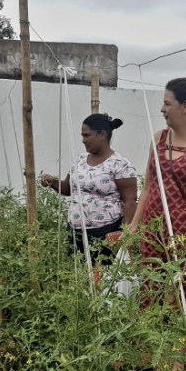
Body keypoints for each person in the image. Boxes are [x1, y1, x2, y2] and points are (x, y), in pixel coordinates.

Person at [130, 78, 186, 314]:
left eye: (167, 103)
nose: (162, 109)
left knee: (185, 288)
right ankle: (151, 340)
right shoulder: (159, 138)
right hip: (152, 226)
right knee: (151, 285)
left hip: (184, 229)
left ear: (185, 106)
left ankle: (184, 343)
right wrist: (134, 225)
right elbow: (148, 187)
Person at [41, 113, 137, 266]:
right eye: (82, 136)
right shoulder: (79, 160)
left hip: (105, 233)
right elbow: (68, 189)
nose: (83, 140)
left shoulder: (120, 164)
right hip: (75, 231)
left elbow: (130, 201)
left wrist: (126, 234)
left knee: (103, 277)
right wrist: (52, 182)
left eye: (87, 135)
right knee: (78, 277)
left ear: (102, 135)